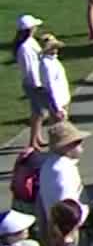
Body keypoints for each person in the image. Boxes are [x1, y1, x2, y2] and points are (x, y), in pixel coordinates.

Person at [35, 123, 87, 241]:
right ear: (65, 147)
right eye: (77, 142)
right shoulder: (63, 170)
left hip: (58, 227)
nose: (81, 145)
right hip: (69, 229)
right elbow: (66, 207)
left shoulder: (50, 164)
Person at [15, 15, 51, 149]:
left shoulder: (30, 42)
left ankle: (36, 139)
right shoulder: (25, 48)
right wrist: (38, 85)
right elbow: (30, 68)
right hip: (33, 84)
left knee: (37, 112)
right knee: (41, 112)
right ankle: (34, 141)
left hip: (34, 82)